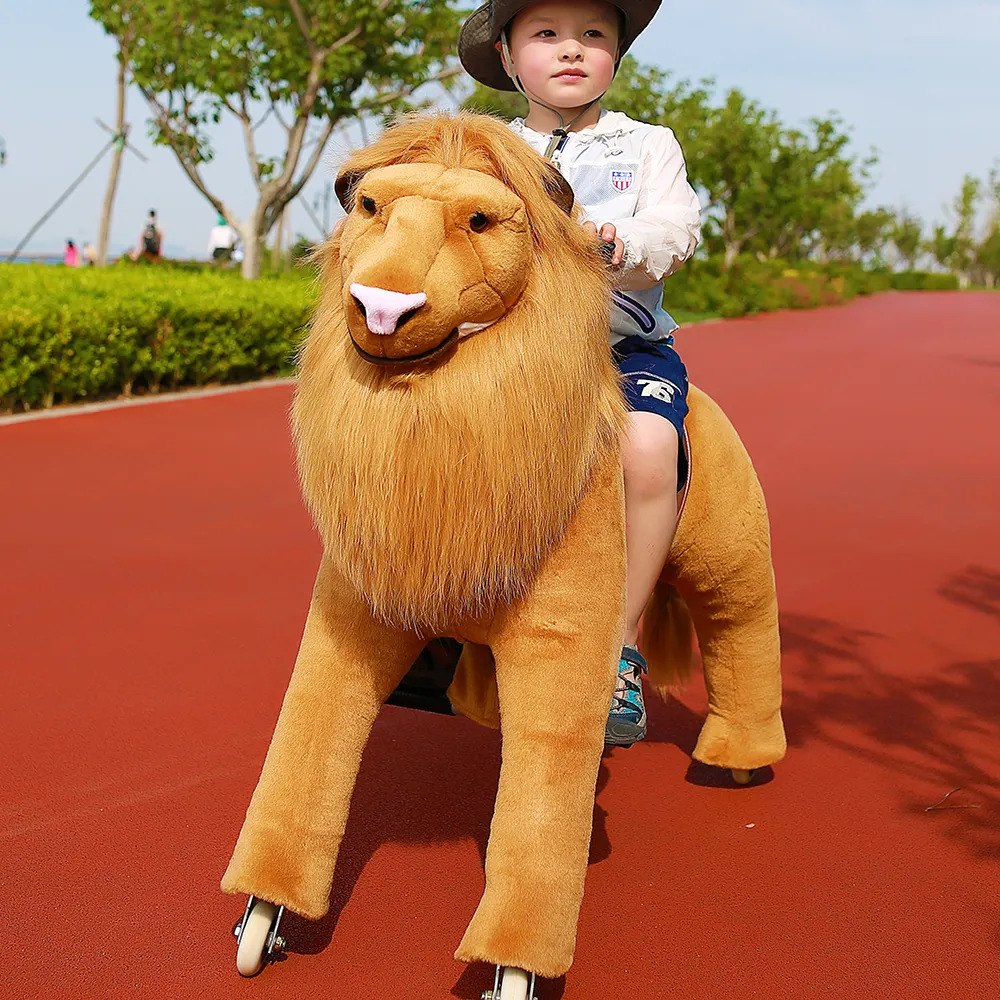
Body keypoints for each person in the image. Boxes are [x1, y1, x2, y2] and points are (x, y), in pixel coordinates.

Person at [459, 0, 702, 746]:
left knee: (649, 448)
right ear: (507, 55)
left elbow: (676, 231)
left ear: (617, 55)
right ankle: (443, 625)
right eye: (546, 35)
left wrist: (614, 242)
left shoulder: (649, 144)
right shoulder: (479, 146)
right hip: (499, 349)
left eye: (594, 35)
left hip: (618, 351)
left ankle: (621, 649)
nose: (572, 50)